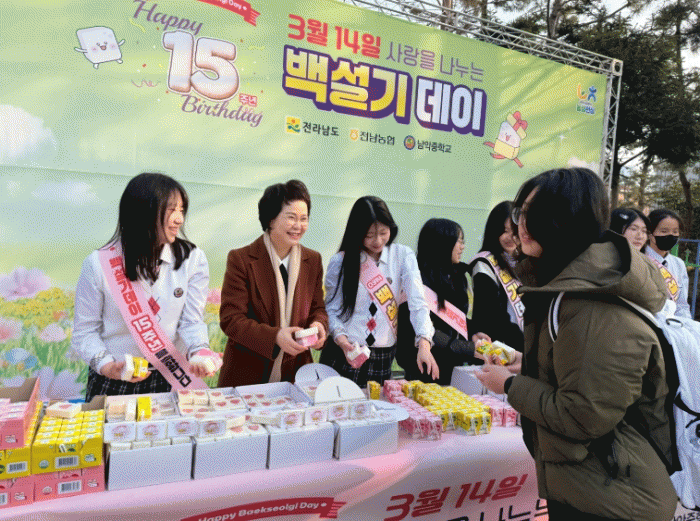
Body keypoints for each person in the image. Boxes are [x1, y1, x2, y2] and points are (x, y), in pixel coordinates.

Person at [476, 168, 677, 521]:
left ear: (569, 220)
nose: (521, 225)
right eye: (521, 212)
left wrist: (509, 385)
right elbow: (579, 372)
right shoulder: (570, 288)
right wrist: (530, 363)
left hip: (614, 495)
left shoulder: (592, 305)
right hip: (592, 483)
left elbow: (582, 415)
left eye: (535, 214)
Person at [72, 172, 216, 401]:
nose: (179, 219)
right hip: (115, 379)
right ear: (143, 211)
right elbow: (84, 332)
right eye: (171, 210)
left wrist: (200, 351)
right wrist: (107, 366)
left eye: (181, 210)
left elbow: (192, 321)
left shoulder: (192, 258)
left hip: (169, 377)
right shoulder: (98, 264)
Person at [218, 180, 328, 387]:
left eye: (304, 219)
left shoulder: (312, 260)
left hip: (296, 374)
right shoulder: (241, 259)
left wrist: (319, 325)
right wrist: (275, 337)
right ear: (270, 219)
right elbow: (231, 319)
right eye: (291, 217)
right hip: (247, 375)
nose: (298, 226)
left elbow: (317, 308)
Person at [319, 196, 438, 386]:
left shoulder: (402, 255)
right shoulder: (341, 261)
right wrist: (342, 342)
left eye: (383, 232)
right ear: (356, 232)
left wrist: (424, 343)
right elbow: (332, 309)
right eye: (369, 235)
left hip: (382, 355)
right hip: (344, 351)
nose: (378, 240)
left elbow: (418, 303)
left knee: (377, 403)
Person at [396, 218, 477, 384]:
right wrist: (467, 348)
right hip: (424, 367)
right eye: (459, 241)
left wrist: (474, 333)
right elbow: (417, 328)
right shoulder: (416, 280)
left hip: (454, 365)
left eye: (463, 241)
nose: (462, 247)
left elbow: (457, 320)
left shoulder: (457, 277)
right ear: (442, 243)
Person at [468, 201, 524, 351]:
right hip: (495, 346)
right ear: (494, 231)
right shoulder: (485, 263)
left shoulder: (524, 262)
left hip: (521, 344)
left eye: (514, 231)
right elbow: (491, 314)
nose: (510, 237)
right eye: (504, 231)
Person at [644, 208, 692, 319]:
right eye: (664, 231)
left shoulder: (678, 264)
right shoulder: (640, 259)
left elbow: (682, 305)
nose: (671, 235)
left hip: (672, 324)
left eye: (675, 232)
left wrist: (685, 325)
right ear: (650, 234)